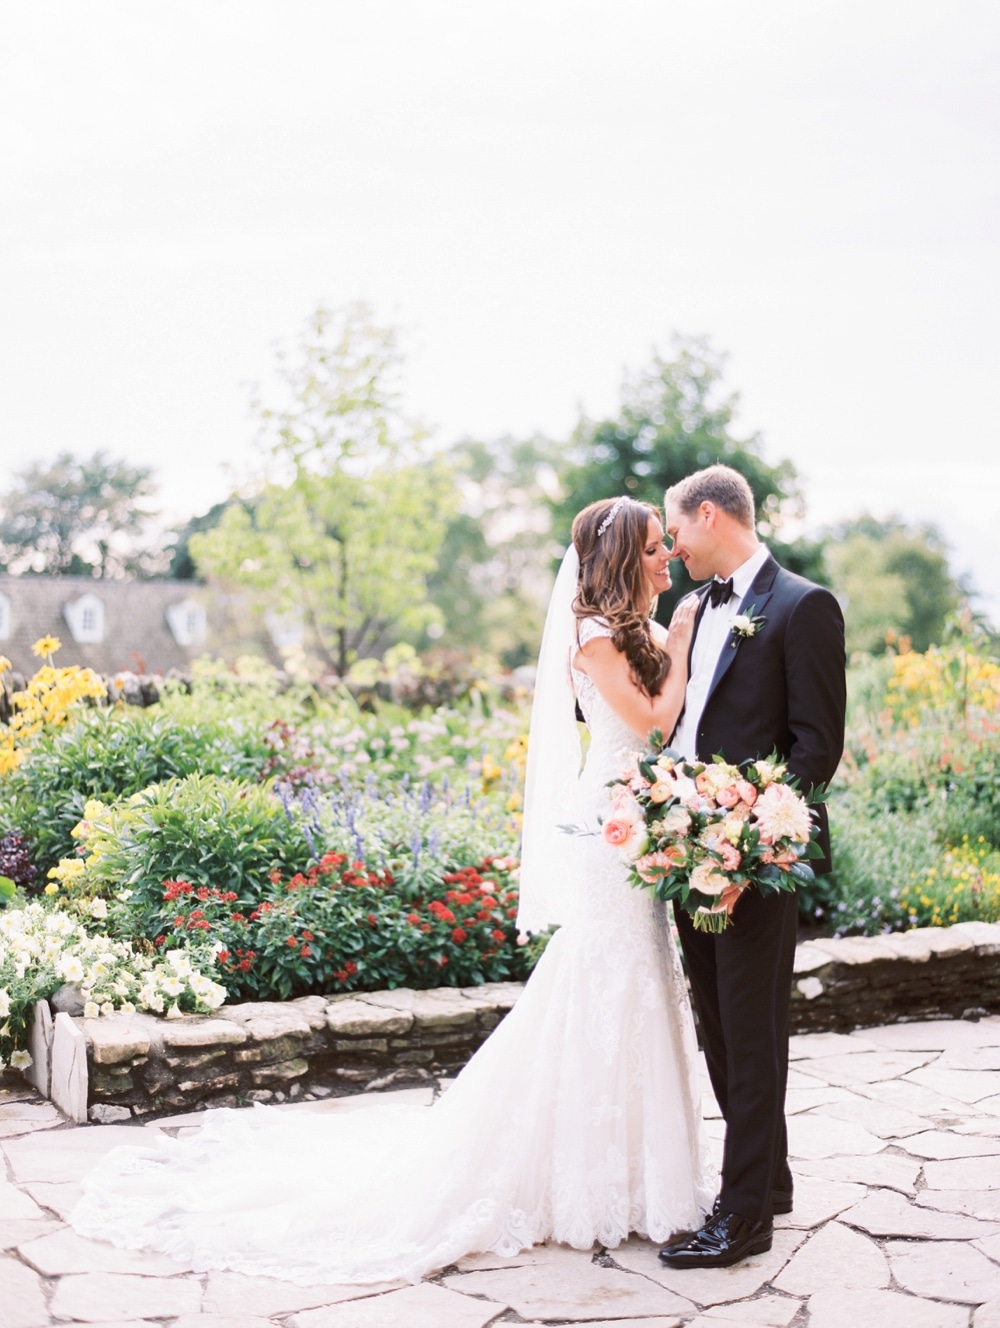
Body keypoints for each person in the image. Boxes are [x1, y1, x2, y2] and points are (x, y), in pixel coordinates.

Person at [69, 495, 715, 1286]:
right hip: (610, 836)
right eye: (654, 547)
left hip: (643, 824)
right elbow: (650, 721)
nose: (666, 557)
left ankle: (640, 1178)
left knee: (640, 984)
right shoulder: (592, 636)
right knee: (608, 984)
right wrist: (681, 643)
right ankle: (585, 1183)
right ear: (622, 558)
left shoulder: (641, 627)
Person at [657, 465, 846, 1271]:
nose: (672, 548)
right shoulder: (691, 608)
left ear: (709, 514)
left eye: (677, 531)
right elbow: (683, 725)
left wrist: (749, 843)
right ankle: (767, 1182)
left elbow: (816, 748)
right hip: (685, 855)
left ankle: (742, 1221)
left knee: (754, 1030)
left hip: (757, 863)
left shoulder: (803, 606)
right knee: (720, 1029)